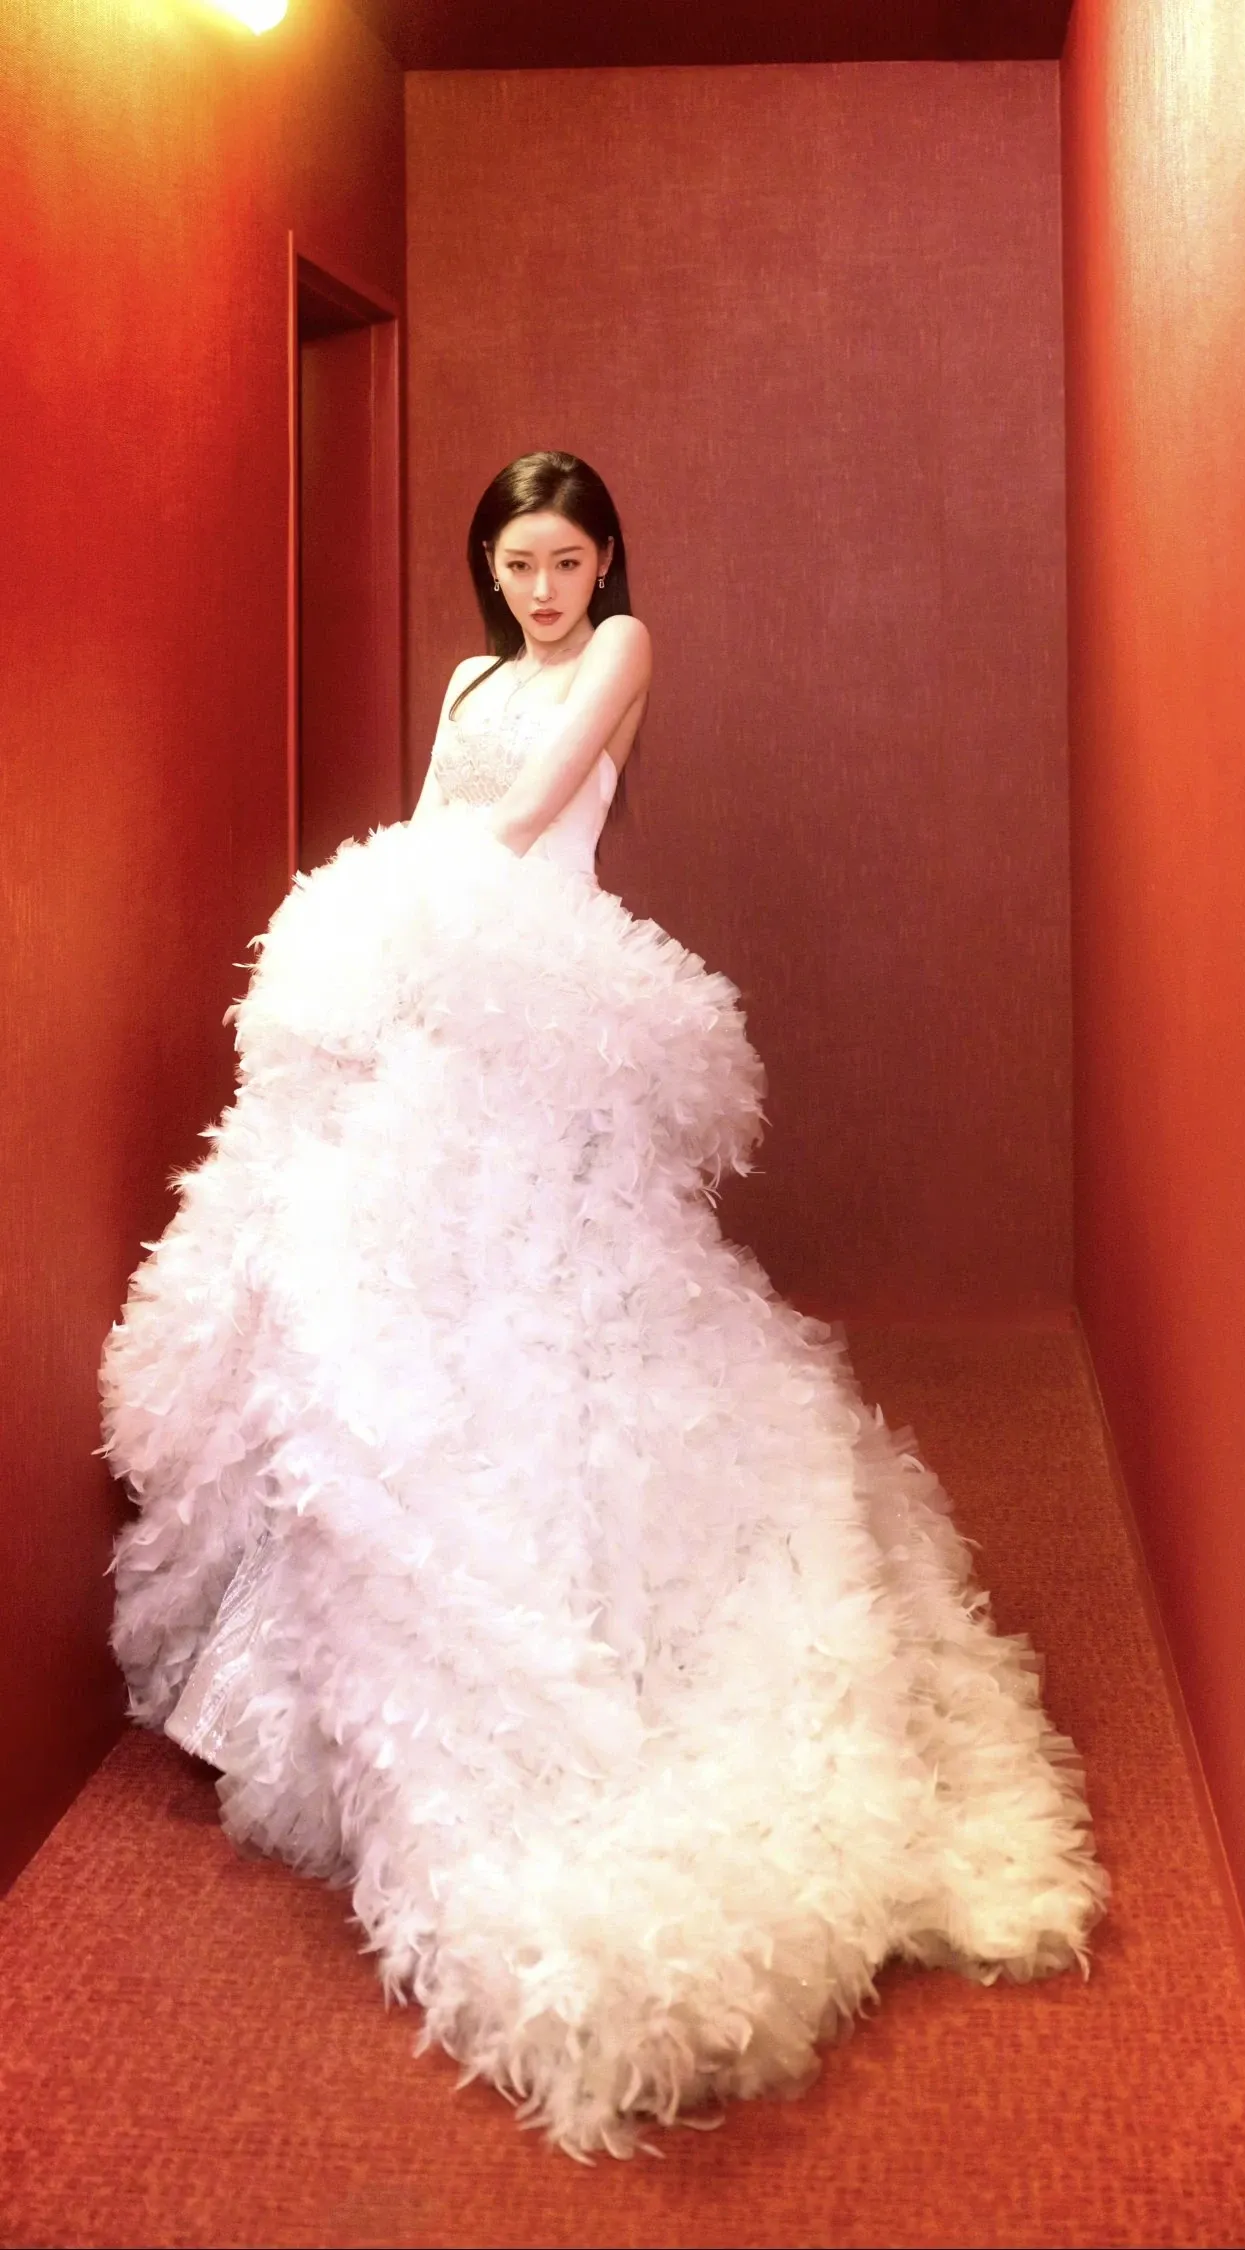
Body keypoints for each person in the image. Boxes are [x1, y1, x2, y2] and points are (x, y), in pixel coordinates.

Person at [102, 450, 1108, 2160]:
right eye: (519, 563)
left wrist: (391, 915)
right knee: (370, 1298)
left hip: (541, 994)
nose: (543, 590)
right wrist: (381, 948)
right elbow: (441, 813)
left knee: (567, 1303)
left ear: (604, 561)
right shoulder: (466, 674)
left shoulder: (624, 650)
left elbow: (514, 827)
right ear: (490, 570)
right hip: (442, 992)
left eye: (566, 560)